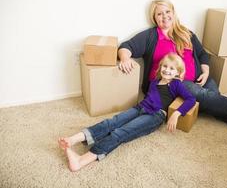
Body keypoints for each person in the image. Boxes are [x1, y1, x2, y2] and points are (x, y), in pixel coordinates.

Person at [118, 0, 227, 130]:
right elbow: (126, 46)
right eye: (159, 14)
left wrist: (206, 72)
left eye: (167, 11)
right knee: (205, 96)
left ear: (173, 13)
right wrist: (125, 58)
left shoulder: (186, 33)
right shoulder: (150, 36)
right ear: (154, 18)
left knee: (212, 96)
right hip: (172, 84)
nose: (165, 16)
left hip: (198, 78)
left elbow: (202, 54)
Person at [58, 53, 196, 172]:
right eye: (165, 66)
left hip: (155, 115)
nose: (167, 70)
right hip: (139, 108)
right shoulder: (154, 82)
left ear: (178, 72)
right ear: (161, 67)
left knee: (120, 132)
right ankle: (73, 139)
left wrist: (176, 114)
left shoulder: (176, 84)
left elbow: (191, 99)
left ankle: (81, 161)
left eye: (172, 69)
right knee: (111, 122)